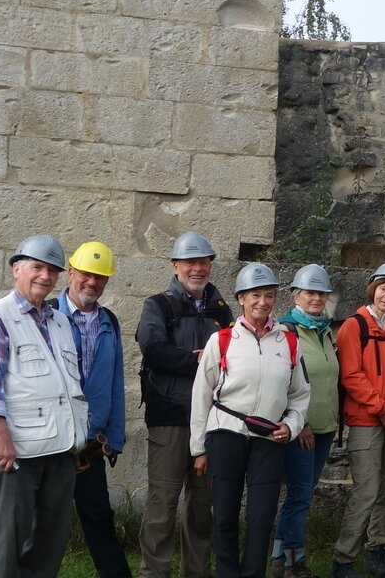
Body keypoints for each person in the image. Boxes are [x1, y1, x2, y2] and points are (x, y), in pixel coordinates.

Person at [0, 235, 86, 578]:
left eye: (52, 270)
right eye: (37, 267)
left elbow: (69, 387)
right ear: (16, 270)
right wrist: (0, 437)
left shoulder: (61, 321)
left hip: (61, 449)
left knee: (50, 541)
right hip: (17, 450)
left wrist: (77, 438)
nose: (45, 277)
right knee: (8, 540)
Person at [189, 263, 311, 578]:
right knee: (225, 514)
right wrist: (198, 449)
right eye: (255, 295)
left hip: (269, 438)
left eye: (269, 295)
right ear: (241, 298)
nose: (263, 302)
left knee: (261, 516)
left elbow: (299, 395)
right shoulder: (223, 340)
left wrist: (292, 425)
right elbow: (202, 395)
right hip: (226, 433)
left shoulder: (289, 343)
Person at [139, 231, 230, 578]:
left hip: (210, 420)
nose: (197, 268)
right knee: (162, 504)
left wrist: (208, 360)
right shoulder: (157, 305)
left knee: (201, 507)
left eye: (203, 262)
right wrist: (199, 362)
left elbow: (233, 354)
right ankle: (153, 573)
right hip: (169, 417)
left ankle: (196, 572)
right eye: (190, 262)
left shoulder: (221, 310)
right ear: (176, 266)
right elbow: (154, 348)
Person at [332, 263, 385, 578]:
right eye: (384, 288)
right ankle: (343, 559)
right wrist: (383, 409)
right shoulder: (354, 326)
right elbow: (351, 375)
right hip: (366, 422)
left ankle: (378, 553)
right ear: (373, 289)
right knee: (366, 490)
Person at [51, 241, 132, 578]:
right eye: (86, 273)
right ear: (70, 272)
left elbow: (115, 384)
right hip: (51, 439)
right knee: (45, 523)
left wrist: (113, 439)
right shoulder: (47, 315)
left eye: (100, 277)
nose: (92, 282)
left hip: (90, 443)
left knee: (99, 517)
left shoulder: (109, 322)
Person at [274, 264, 340, 577]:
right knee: (299, 496)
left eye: (321, 293)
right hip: (301, 430)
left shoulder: (325, 331)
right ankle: (293, 562)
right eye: (310, 292)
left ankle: (279, 557)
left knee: (303, 493)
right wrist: (299, 423)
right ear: (296, 295)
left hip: (325, 429)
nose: (316, 298)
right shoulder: (287, 331)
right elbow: (281, 384)